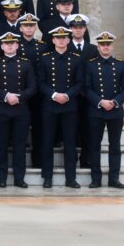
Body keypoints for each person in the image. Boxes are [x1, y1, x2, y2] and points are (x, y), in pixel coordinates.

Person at [0, 31, 36, 188]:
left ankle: (19, 178)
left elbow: (32, 87)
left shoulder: (26, 63)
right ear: (1, 46)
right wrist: (6, 95)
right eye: (6, 43)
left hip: (21, 110)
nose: (9, 46)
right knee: (0, 145)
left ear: (17, 45)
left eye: (12, 43)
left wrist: (19, 97)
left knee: (20, 147)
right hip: (1, 109)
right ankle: (1, 178)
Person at [37, 26, 84, 189]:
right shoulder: (44, 58)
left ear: (69, 40)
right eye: (58, 38)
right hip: (50, 105)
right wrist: (54, 95)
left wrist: (67, 95)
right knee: (47, 142)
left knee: (70, 143)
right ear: (53, 40)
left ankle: (71, 178)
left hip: (69, 106)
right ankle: (47, 177)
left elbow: (79, 82)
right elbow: (41, 82)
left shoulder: (76, 58)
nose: (61, 40)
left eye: (64, 38)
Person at [84, 31, 124, 189]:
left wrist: (115, 102)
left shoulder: (120, 64)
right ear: (98, 46)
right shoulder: (90, 64)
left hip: (115, 111)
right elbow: (86, 88)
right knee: (94, 146)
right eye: (102, 44)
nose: (105, 47)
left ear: (112, 46)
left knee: (115, 146)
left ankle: (114, 179)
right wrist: (100, 101)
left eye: (108, 44)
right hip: (96, 110)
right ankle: (96, 179)